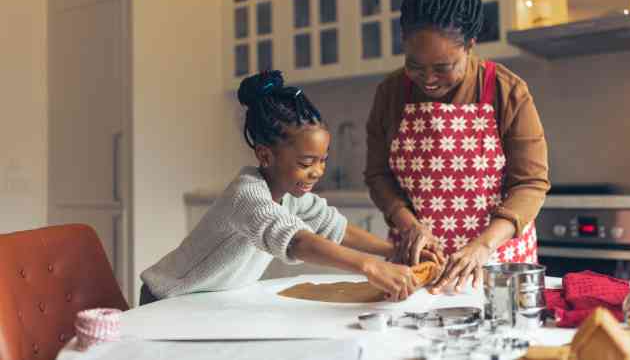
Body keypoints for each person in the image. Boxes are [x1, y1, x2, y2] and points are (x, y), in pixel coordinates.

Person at [140, 70, 420, 305]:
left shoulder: (290, 195)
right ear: (265, 156)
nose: (318, 171)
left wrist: (390, 252)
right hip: (166, 300)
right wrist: (369, 266)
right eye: (306, 162)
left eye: (323, 160)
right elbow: (297, 240)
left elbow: (335, 227)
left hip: (206, 302)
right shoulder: (247, 196)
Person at [364, 0, 550, 294]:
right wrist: (409, 225)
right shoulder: (390, 93)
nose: (428, 79)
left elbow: (531, 184)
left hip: (495, 264)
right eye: (415, 66)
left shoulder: (507, 91)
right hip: (415, 266)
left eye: (443, 67)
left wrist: (482, 246)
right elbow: (378, 176)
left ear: (470, 46)